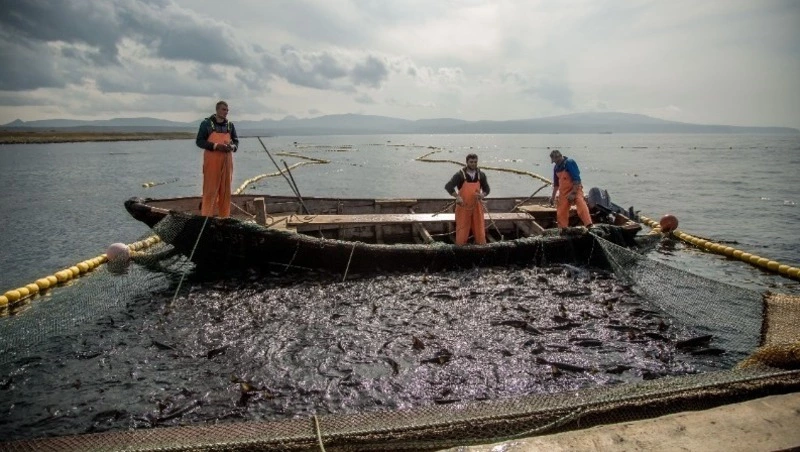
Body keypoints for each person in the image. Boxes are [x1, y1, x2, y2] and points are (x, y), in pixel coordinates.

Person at [196, 100, 239, 218]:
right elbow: (199, 142)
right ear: (217, 110)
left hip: (227, 161)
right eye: (224, 110)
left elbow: (236, 142)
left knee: (225, 191)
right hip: (212, 162)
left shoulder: (230, 125)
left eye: (227, 110)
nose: (226, 112)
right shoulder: (206, 124)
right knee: (210, 190)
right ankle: (207, 218)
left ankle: (224, 218)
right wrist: (216, 146)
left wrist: (232, 147)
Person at [444, 153, 490, 245]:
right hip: (463, 206)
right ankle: (460, 246)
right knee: (462, 227)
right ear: (467, 162)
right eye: (471, 162)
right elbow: (448, 186)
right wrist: (457, 197)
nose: (473, 164)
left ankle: (481, 245)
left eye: (475, 162)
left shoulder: (481, 175)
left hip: (477, 205)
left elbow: (487, 189)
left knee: (479, 227)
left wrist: (482, 195)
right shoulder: (460, 175)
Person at [548, 150, 593, 228]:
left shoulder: (569, 163)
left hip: (575, 188)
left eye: (556, 161)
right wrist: (553, 197)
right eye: (554, 161)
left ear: (560, 157)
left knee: (580, 202)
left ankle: (588, 224)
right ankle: (563, 228)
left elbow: (577, 179)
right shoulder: (556, 168)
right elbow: (556, 185)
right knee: (561, 211)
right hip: (563, 192)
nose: (556, 163)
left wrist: (573, 193)